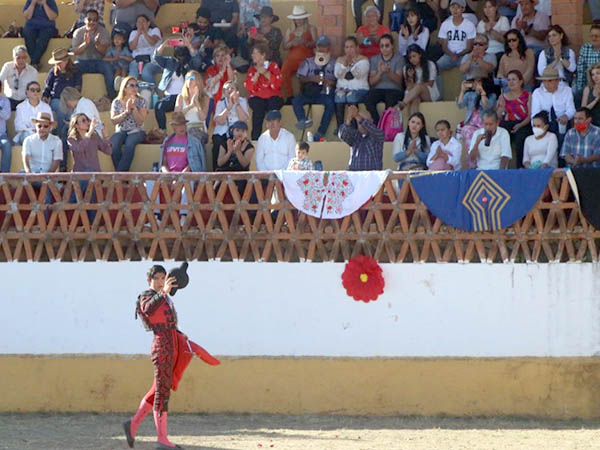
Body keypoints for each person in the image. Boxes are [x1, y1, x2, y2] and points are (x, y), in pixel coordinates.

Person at [123, 265, 219, 450]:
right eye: (157, 279)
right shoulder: (147, 296)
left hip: (172, 343)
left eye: (162, 278)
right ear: (148, 280)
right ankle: (162, 439)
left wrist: (180, 336)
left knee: (158, 390)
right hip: (162, 347)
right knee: (162, 393)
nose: (160, 282)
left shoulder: (164, 297)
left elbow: (169, 324)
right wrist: (164, 292)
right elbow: (149, 310)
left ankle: (133, 425)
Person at [292, 35, 336, 142]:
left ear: (329, 48)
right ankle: (303, 120)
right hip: (310, 92)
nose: (321, 49)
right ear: (315, 48)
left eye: (324, 46)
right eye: (319, 46)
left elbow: (338, 81)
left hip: (324, 93)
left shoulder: (334, 63)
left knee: (331, 104)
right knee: (296, 101)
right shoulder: (308, 62)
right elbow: (300, 78)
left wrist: (329, 82)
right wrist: (312, 79)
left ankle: (320, 133)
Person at [72, 9, 116, 99]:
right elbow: (75, 51)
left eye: (95, 20)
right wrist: (85, 44)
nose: (92, 22)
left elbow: (105, 51)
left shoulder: (103, 31)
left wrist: (97, 44)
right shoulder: (78, 32)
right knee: (73, 68)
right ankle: (76, 96)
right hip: (82, 62)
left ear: (98, 21)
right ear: (85, 20)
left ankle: (111, 96)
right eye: (89, 19)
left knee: (108, 68)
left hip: (98, 62)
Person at [244, 44, 283, 141]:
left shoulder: (273, 66)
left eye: (255, 53)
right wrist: (256, 75)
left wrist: (266, 73)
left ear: (263, 55)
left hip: (273, 97)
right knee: (257, 111)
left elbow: (278, 84)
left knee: (273, 111)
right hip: (257, 98)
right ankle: (255, 140)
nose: (252, 55)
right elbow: (249, 87)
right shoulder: (252, 69)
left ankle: (275, 138)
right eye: (252, 53)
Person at [152, 40, 193, 131]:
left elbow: (197, 60)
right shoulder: (169, 61)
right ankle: (162, 130)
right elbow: (156, 57)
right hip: (170, 96)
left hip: (185, 96)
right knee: (159, 106)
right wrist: (163, 45)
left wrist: (189, 45)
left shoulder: (190, 62)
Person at [364, 34, 404, 126]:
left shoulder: (399, 59)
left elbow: (399, 81)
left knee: (390, 102)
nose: (384, 48)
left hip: (394, 90)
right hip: (378, 89)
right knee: (367, 99)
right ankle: (378, 123)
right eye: (382, 46)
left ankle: (386, 126)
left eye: (387, 45)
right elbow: (371, 82)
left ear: (392, 46)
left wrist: (389, 72)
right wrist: (380, 73)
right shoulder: (374, 59)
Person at [110, 76, 148, 171]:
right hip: (121, 130)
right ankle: (121, 174)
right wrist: (126, 112)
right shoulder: (117, 102)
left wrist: (134, 108)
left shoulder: (142, 101)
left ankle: (119, 176)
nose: (135, 88)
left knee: (129, 144)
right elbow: (114, 121)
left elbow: (140, 122)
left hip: (137, 131)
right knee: (113, 144)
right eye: (131, 85)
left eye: (136, 85)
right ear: (125, 87)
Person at [531, 67, 575, 148]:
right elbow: (535, 114)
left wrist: (566, 116)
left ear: (557, 81)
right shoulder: (537, 93)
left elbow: (571, 109)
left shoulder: (567, 90)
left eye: (550, 80)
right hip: (545, 125)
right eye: (544, 81)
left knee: (563, 135)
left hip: (562, 124)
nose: (547, 84)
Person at [496, 69, 531, 168]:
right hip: (506, 123)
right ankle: (502, 169)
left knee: (521, 141)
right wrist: (502, 108)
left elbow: (529, 115)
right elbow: (498, 117)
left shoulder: (527, 95)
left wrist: (520, 125)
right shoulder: (503, 97)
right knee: (502, 141)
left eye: (514, 79)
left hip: (523, 123)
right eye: (509, 80)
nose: (510, 82)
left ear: (521, 81)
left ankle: (521, 168)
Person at [212, 81, 250, 170]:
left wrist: (236, 104)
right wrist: (229, 106)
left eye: (232, 88)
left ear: (237, 91)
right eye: (226, 89)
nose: (229, 90)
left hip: (238, 132)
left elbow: (244, 119)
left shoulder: (242, 101)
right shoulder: (220, 103)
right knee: (217, 143)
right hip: (222, 133)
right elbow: (220, 121)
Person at [281, 5, 317, 99]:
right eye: (296, 19)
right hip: (292, 60)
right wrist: (291, 43)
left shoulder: (311, 28)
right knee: (284, 69)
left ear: (305, 18)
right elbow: (284, 46)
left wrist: (305, 42)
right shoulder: (290, 30)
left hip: (307, 59)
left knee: (306, 73)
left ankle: (306, 95)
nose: (298, 21)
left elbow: (316, 43)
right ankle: (289, 96)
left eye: (300, 19)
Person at [334, 36, 369, 130]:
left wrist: (350, 64)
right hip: (342, 89)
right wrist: (345, 65)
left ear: (357, 47)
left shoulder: (363, 60)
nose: (349, 50)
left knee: (351, 96)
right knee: (339, 97)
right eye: (346, 47)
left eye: (351, 47)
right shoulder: (340, 60)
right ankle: (340, 128)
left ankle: (353, 128)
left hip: (359, 89)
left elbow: (357, 75)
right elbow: (337, 74)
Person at [338, 104, 384, 171]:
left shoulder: (378, 134)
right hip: (355, 176)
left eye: (365, 120)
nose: (361, 122)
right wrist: (348, 119)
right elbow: (342, 135)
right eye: (358, 120)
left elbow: (369, 126)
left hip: (372, 177)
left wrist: (357, 115)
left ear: (371, 121)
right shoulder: (355, 135)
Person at [457, 78, 497, 152]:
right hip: (471, 125)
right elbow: (460, 105)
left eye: (478, 82)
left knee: (481, 136)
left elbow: (487, 107)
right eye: (474, 82)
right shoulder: (470, 94)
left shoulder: (492, 95)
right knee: (466, 130)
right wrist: (462, 91)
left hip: (485, 124)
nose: (475, 84)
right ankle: (472, 156)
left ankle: (478, 157)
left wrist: (482, 93)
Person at [436, 0, 476, 73]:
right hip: (448, 55)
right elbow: (444, 46)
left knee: (469, 67)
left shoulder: (470, 25)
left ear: (463, 9)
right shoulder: (445, 24)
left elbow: (469, 47)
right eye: (453, 7)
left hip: (463, 55)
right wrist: (452, 54)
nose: (455, 10)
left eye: (458, 7)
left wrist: (458, 55)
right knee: (437, 67)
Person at [400, 44, 440, 115]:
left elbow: (430, 84)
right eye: (410, 58)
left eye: (414, 56)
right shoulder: (406, 68)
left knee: (419, 87)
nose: (412, 59)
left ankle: (403, 104)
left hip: (429, 93)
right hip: (413, 94)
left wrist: (416, 86)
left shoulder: (430, 65)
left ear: (420, 55)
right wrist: (410, 78)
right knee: (415, 99)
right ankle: (413, 120)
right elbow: (409, 87)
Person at [175, 71, 211, 145]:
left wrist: (197, 103)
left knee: (193, 138)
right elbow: (177, 117)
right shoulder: (181, 97)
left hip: (199, 129)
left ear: (198, 81)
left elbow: (202, 118)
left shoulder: (205, 98)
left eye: (192, 78)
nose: (189, 81)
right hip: (185, 129)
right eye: (187, 78)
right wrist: (190, 106)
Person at [22, 0, 59, 69]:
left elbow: (52, 17)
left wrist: (45, 4)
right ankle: (35, 62)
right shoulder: (30, 1)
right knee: (28, 36)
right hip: (31, 26)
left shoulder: (50, 1)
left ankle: (33, 63)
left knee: (43, 39)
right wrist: (33, 4)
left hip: (47, 27)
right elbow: (27, 16)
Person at [0, 46, 39, 110]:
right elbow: (0, 81)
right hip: (9, 100)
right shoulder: (7, 67)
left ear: (27, 58)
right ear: (13, 58)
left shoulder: (33, 71)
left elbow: (35, 89)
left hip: (25, 101)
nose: (21, 60)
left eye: (24, 58)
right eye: (18, 58)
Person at [128, 14, 162, 83]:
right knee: (133, 74)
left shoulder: (155, 30)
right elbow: (132, 47)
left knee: (146, 73)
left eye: (143, 21)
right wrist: (138, 34)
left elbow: (152, 42)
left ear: (148, 23)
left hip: (152, 60)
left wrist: (144, 32)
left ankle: (151, 91)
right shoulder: (133, 33)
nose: (141, 24)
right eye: (138, 22)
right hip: (137, 59)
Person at [188, 8, 222, 73]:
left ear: (209, 21)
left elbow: (217, 46)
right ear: (196, 19)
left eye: (205, 22)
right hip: (194, 57)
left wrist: (211, 45)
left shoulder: (214, 30)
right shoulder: (192, 28)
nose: (202, 24)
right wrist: (198, 43)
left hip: (209, 57)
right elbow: (187, 44)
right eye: (200, 22)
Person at [575, 25, 600, 97]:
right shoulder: (585, 48)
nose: (593, 38)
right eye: (591, 36)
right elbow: (581, 71)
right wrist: (580, 90)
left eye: (596, 36)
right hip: (589, 86)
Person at [0, 85, 11, 173]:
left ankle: (4, 176)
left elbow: (7, 116)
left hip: (1, 135)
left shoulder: (5, 101)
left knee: (7, 145)